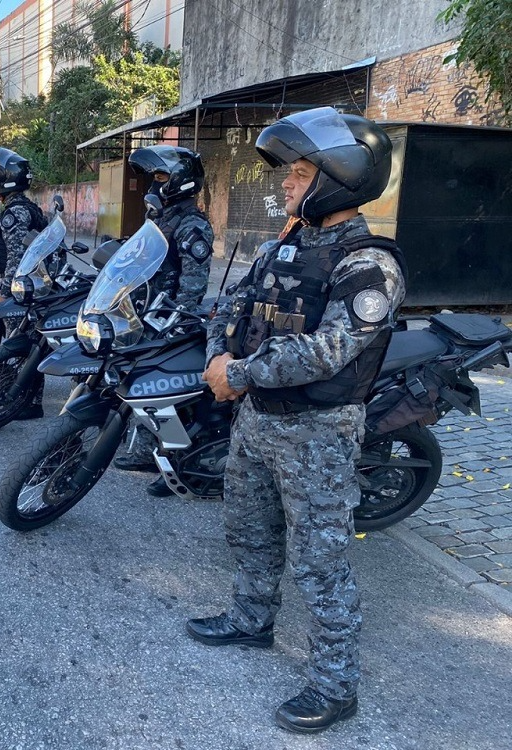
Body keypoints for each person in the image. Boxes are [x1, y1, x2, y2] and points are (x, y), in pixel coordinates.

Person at [187, 108, 406, 734]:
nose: (284, 183)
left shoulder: (368, 265)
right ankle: (252, 621)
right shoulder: (283, 244)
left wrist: (240, 374)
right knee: (248, 527)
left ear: (339, 179)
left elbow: (327, 351)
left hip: (319, 433)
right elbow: (230, 305)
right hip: (257, 422)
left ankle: (337, 686)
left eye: (301, 171)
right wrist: (217, 357)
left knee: (320, 562)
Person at [112, 145, 216, 496]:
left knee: (163, 394)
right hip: (145, 312)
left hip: (170, 319)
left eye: (160, 178)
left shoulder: (192, 225)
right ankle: (142, 449)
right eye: (152, 178)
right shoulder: (163, 217)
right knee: (139, 383)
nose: (152, 186)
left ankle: (178, 464)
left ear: (181, 181)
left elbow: (192, 285)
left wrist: (175, 322)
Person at [0, 146, 49, 419]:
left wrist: (3, 292)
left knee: (21, 343)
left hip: (20, 290)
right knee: (26, 341)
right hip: (31, 285)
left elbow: (17, 257)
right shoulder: (28, 207)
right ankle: (26, 397)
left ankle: (30, 402)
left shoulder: (16, 213)